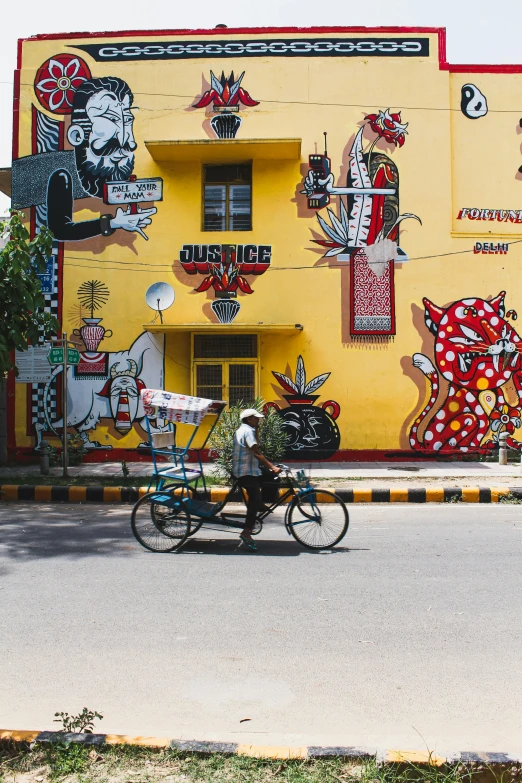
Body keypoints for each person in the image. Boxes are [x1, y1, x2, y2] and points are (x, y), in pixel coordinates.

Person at [232, 408, 281, 551]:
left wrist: (271, 469)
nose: (258, 421)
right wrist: (272, 466)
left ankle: (261, 503)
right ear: (249, 419)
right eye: (256, 418)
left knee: (272, 478)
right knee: (254, 498)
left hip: (247, 469)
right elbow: (257, 452)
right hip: (245, 472)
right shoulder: (247, 431)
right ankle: (246, 532)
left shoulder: (245, 429)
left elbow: (256, 447)